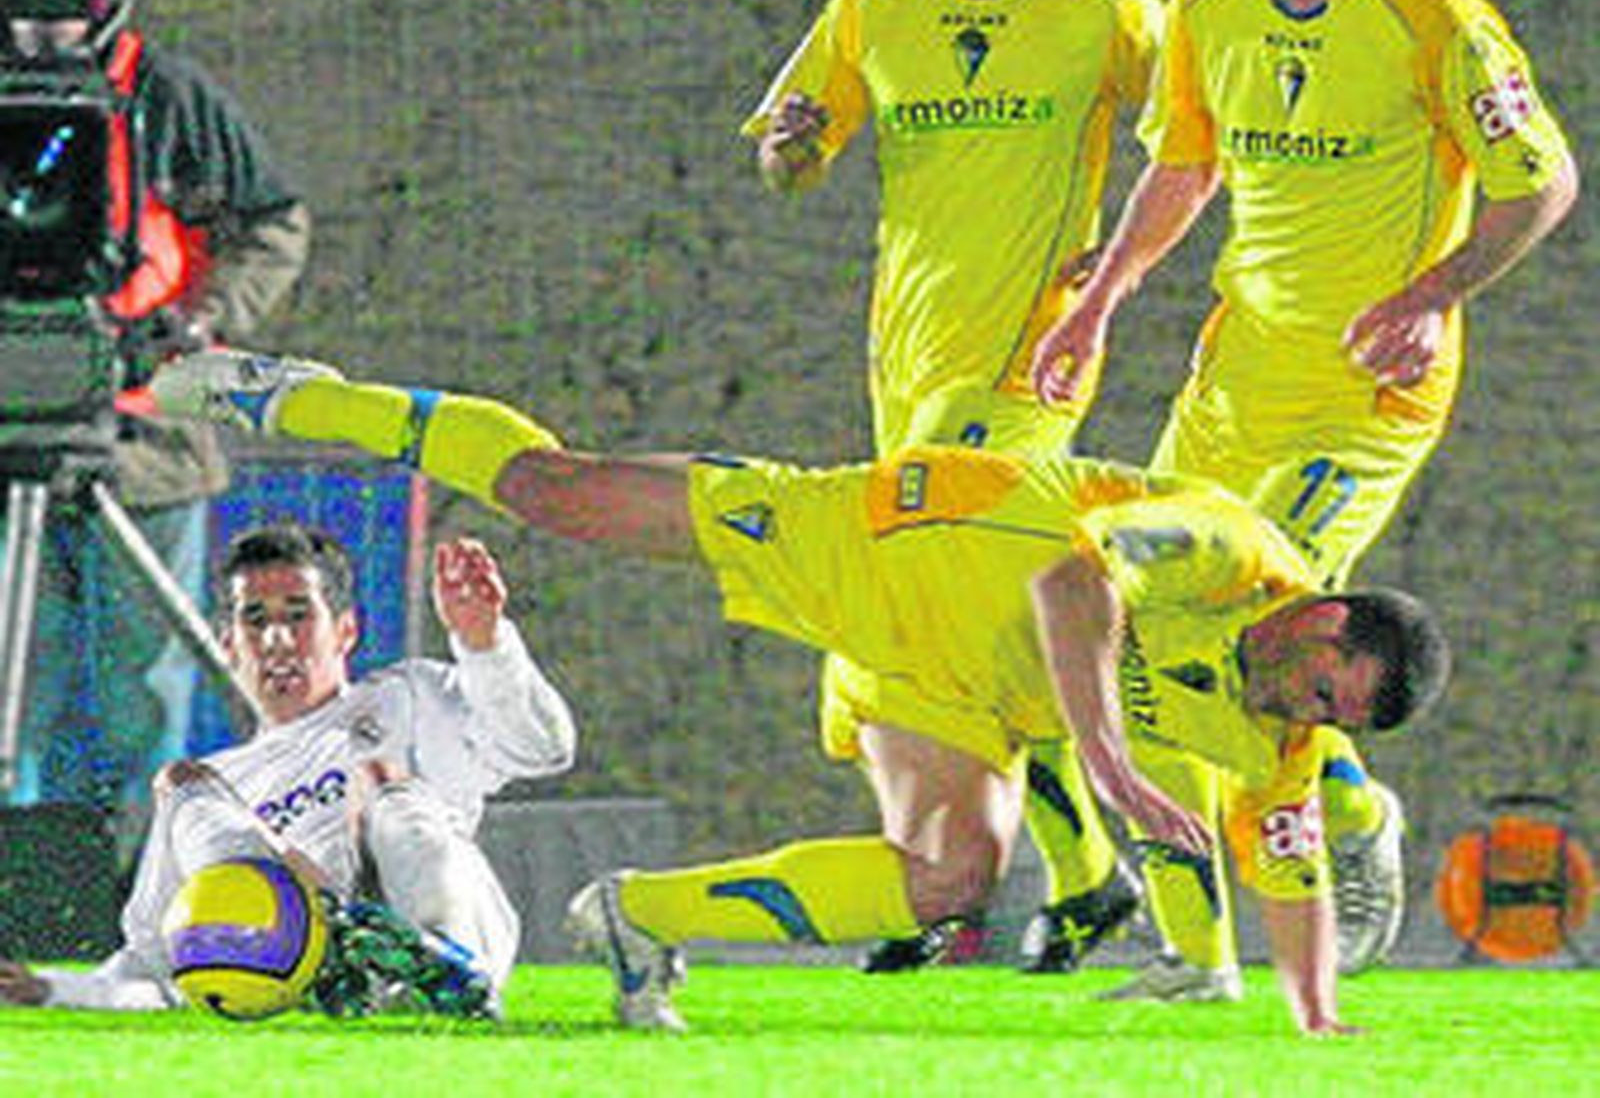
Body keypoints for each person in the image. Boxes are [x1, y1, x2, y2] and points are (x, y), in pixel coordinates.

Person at [143, 349, 1450, 1035]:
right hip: (869, 536)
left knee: (949, 876)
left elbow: (1287, 887)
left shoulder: (1284, 738)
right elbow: (1071, 582)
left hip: (945, 680)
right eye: (1322, 686)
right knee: (555, 491)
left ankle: (636, 918)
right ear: (1319, 614)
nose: (1306, 719)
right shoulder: (1228, 545)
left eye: (1332, 722)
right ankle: (295, 389)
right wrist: (1107, 764)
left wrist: (1320, 1018)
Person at [1029, 0, 1578, 1000]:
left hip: (1363, 403)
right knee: (1149, 631)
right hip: (1232, 380)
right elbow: (1184, 167)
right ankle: (1251, 906)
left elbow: (1541, 182)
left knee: (1264, 629)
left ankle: (1332, 843)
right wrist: (1103, 299)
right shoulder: (1210, 1)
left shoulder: (1432, 15)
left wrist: (1431, 295)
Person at [743, 0, 1162, 973]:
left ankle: (957, 882)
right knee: (973, 620)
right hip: (907, 369)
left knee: (936, 586)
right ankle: (1080, 881)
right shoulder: (874, 3)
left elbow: (1192, 139)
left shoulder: (1104, 12)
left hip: (1028, 368)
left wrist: (1119, 268)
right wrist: (793, 143)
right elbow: (791, 161)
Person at [0, 0, 312, 842]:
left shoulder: (167, 97)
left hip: (146, 433)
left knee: (140, 681)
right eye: (25, 13)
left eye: (63, 13)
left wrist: (200, 325)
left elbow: (272, 221)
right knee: (18, 681)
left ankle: (141, 892)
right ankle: (30, 918)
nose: (44, 34)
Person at [0, 523, 576, 1016]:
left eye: (298, 616)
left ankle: (437, 970)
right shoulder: (216, 788)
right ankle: (333, 947)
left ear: (345, 632)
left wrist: (485, 647)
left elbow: (542, 748)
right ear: (229, 645)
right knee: (181, 780)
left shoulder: (409, 695)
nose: (277, 640)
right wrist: (52, 989)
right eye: (255, 620)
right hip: (287, 963)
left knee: (387, 787)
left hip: (428, 907)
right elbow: (157, 960)